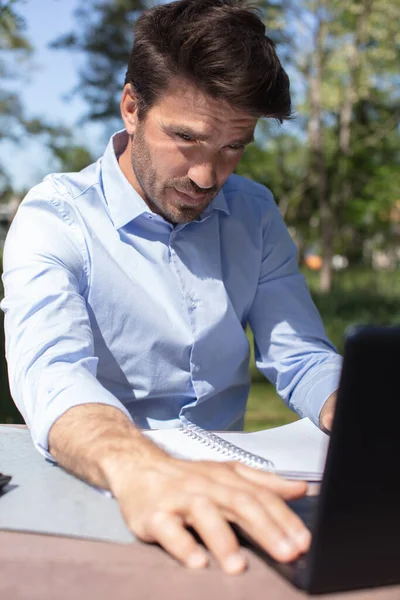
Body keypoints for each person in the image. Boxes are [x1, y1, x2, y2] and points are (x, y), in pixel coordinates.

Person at [1, 0, 341, 576]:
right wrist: (140, 466)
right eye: (186, 138)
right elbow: (50, 372)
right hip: (105, 489)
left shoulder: (254, 212)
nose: (208, 177)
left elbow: (302, 357)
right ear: (132, 107)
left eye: (234, 147)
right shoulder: (54, 216)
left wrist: (362, 417)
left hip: (231, 499)